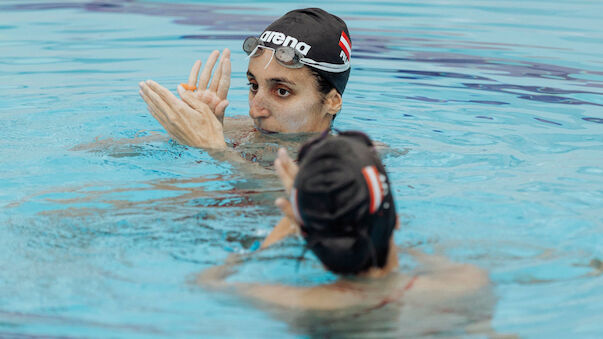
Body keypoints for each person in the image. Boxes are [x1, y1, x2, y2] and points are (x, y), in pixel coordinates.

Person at [197, 131, 492, 317]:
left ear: (307, 234)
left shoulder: (297, 303)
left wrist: (289, 223)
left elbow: (207, 283)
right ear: (396, 219)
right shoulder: (464, 284)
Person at [138, 8, 352, 150]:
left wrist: (216, 151)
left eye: (282, 91)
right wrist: (184, 134)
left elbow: (295, 203)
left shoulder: (354, 161)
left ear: (331, 101)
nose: (255, 111)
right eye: (254, 86)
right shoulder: (237, 132)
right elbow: (114, 150)